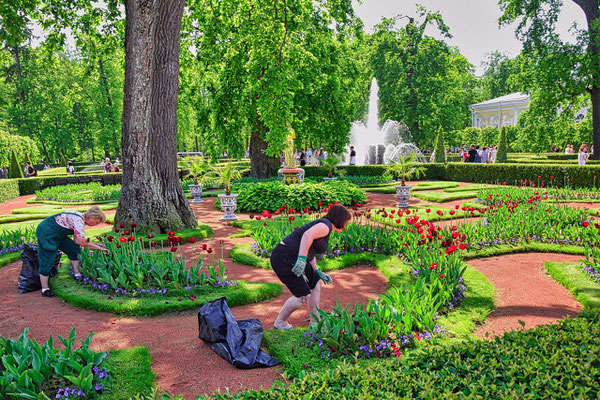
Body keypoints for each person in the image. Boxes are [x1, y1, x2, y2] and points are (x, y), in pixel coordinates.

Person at [271, 205, 352, 329]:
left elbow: (310, 250)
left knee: (316, 282)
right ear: (340, 219)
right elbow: (307, 236)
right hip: (284, 257)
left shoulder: (326, 227)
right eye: (346, 221)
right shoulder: (326, 226)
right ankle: (280, 322)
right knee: (301, 295)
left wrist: (316, 271)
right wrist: (301, 259)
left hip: (292, 256)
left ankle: (315, 322)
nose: (346, 225)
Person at [35, 207, 109, 297]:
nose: (96, 225)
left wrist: (99, 245)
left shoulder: (81, 218)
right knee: (48, 257)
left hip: (58, 233)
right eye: (97, 223)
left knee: (74, 249)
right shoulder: (78, 221)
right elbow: (82, 242)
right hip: (46, 232)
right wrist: (99, 249)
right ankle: (45, 289)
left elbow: (76, 241)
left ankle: (77, 274)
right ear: (92, 218)